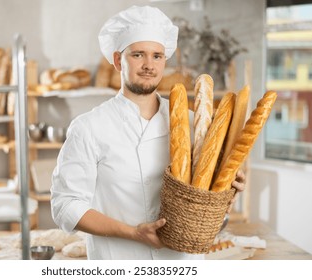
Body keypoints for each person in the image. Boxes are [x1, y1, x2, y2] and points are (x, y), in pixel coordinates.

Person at [50, 5, 245, 260]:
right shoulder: (89, 127)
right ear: (119, 60)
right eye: (138, 55)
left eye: (157, 56)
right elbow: (65, 206)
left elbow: (206, 201)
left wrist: (227, 191)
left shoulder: (191, 124)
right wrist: (133, 233)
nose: (148, 65)